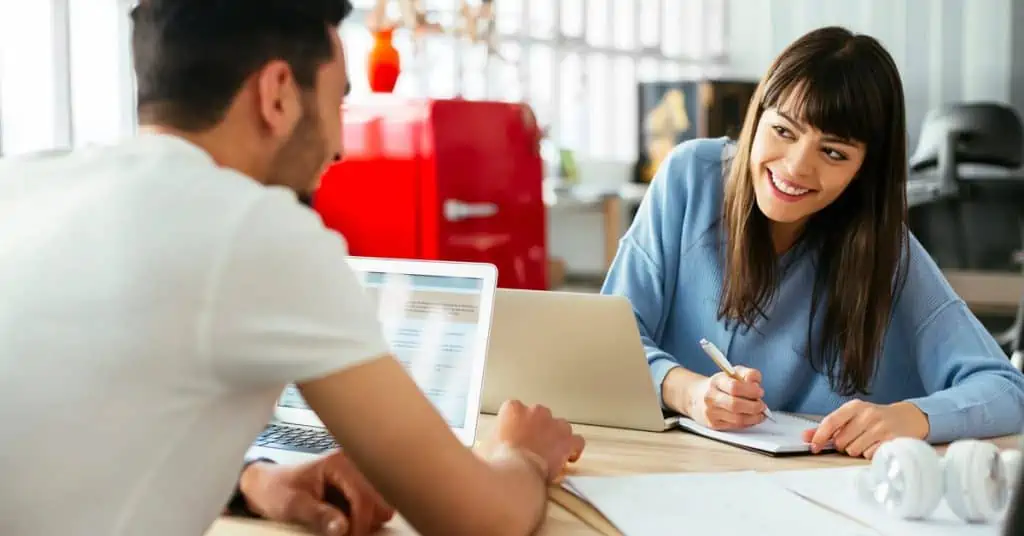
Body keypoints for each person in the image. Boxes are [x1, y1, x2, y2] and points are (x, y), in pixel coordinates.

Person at [0, 1, 584, 535]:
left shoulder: (23, 188)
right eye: (337, 101)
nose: (339, 146)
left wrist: (251, 479)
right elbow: (479, 522)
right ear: (278, 93)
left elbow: (80, 435)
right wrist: (521, 452)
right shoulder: (255, 228)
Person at [601, 26, 1024, 460]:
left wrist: (912, 416)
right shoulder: (690, 179)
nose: (797, 168)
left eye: (834, 153)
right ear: (757, 115)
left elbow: (1007, 390)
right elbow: (607, 342)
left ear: (864, 170)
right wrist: (687, 391)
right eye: (784, 131)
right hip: (675, 470)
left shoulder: (884, 250)